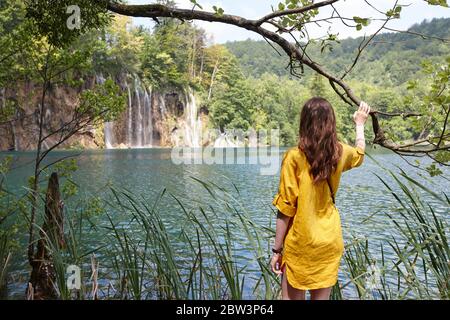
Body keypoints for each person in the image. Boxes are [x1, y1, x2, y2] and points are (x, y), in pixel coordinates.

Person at [270, 97, 371, 300]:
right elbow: (360, 154)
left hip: (301, 242)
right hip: (329, 240)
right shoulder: (340, 153)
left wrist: (277, 250)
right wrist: (360, 125)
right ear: (331, 123)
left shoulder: (294, 157)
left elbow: (286, 208)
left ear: (304, 122)